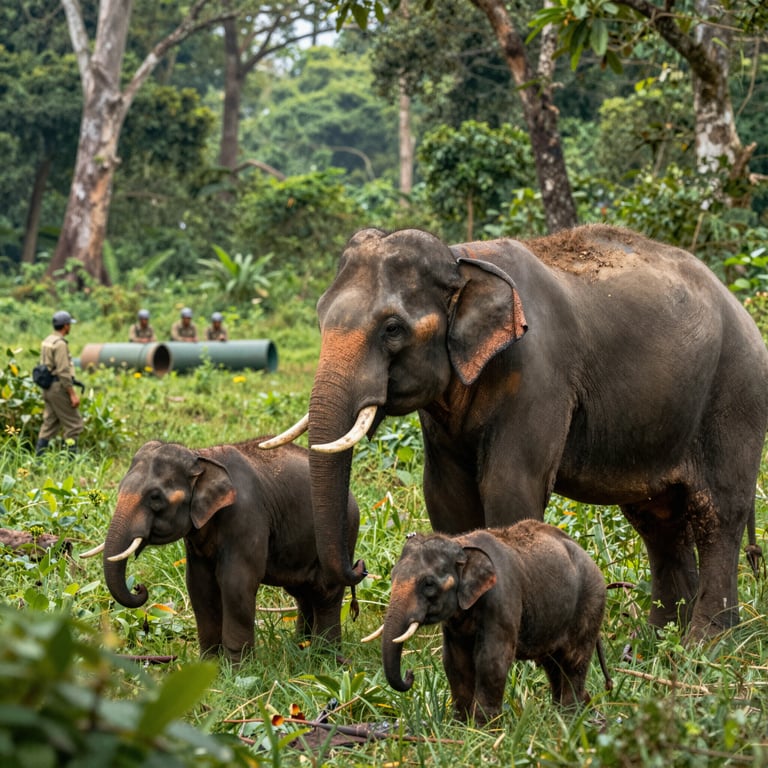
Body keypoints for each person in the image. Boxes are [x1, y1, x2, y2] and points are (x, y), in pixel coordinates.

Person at [35, 311, 84, 455]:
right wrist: (72, 394)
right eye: (69, 324)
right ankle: (69, 460)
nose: (70, 327)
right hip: (58, 387)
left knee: (49, 424)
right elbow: (63, 371)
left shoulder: (48, 340)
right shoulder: (60, 344)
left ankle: (38, 460)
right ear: (65, 326)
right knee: (74, 424)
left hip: (47, 387)